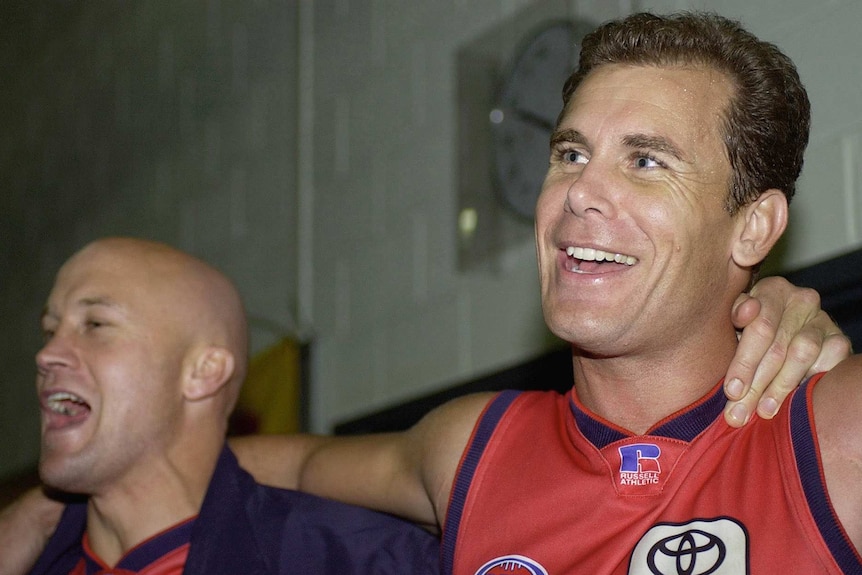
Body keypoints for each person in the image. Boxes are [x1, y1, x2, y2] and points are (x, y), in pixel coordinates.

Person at [0, 13, 853, 574]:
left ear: (753, 227)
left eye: (646, 159)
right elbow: (280, 461)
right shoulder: (471, 447)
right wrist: (58, 491)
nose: (579, 194)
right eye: (569, 153)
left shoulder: (837, 434)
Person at [15, 237, 440, 574]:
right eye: (51, 330)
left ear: (203, 372)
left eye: (95, 325)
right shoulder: (27, 554)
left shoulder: (353, 560)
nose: (46, 354)